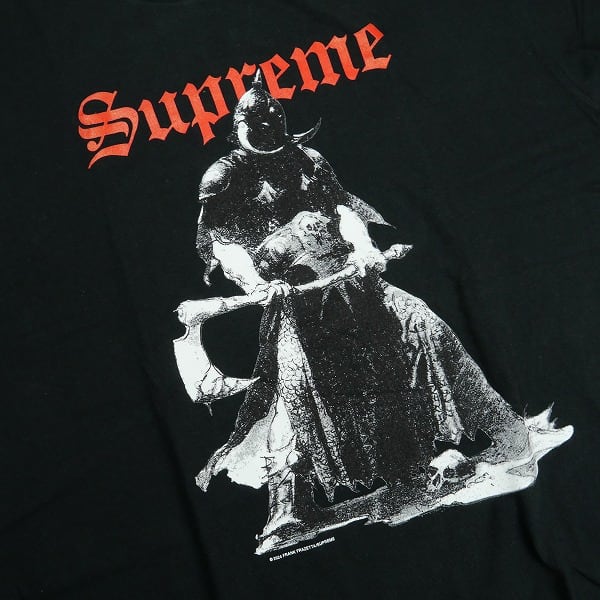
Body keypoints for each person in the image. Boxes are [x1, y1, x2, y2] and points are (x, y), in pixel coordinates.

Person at [193, 71, 530, 547]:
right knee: (297, 382)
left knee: (423, 325)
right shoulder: (224, 177)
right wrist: (256, 283)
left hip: (352, 282)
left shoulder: (309, 160)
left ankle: (502, 430)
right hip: (295, 300)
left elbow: (344, 211)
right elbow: (222, 244)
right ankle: (288, 505)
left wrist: (364, 247)